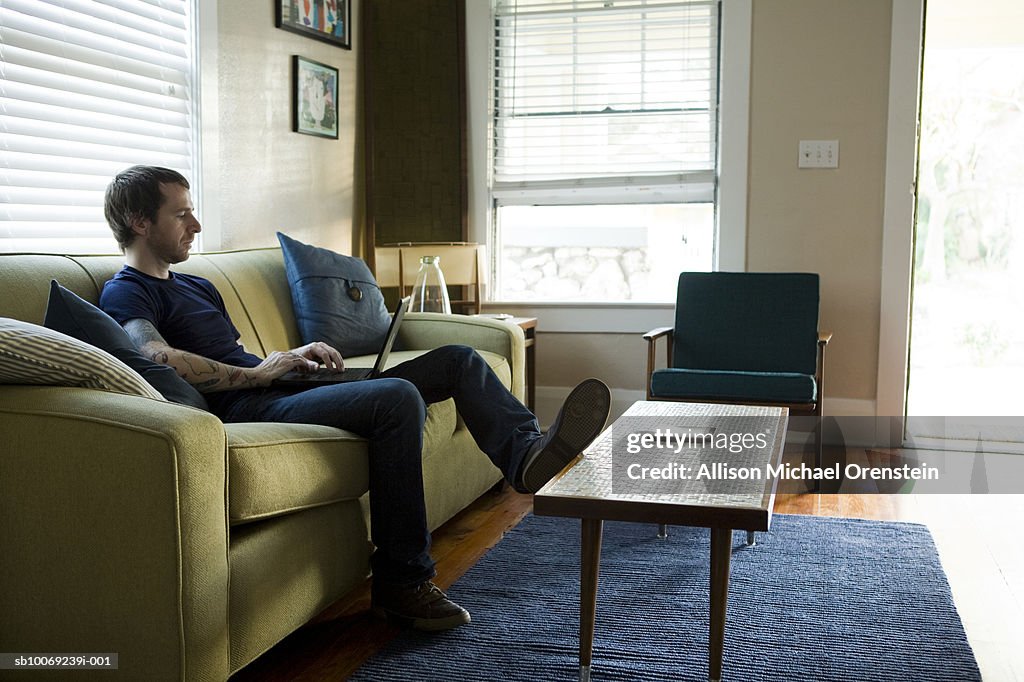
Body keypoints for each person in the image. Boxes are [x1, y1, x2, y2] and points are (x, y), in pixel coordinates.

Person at [99, 165, 612, 632]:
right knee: (395, 398)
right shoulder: (127, 291)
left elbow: (234, 355)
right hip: (243, 409)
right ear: (141, 223)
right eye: (181, 213)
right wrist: (259, 377)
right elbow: (156, 357)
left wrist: (287, 356)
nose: (196, 225)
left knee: (458, 358)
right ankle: (403, 583)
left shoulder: (197, 286)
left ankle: (524, 458)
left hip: (273, 385)